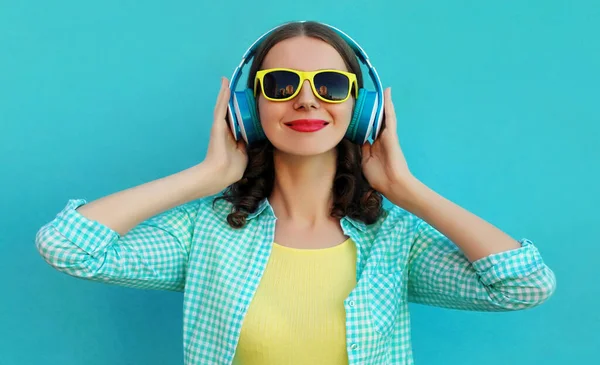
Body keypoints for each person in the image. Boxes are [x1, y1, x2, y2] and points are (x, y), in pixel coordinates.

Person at [35, 21, 557, 365]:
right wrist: (204, 176)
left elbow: (524, 286)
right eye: (282, 83)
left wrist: (407, 190)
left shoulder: (396, 240)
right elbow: (68, 246)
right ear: (248, 105)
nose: (307, 100)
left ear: (362, 105)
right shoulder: (203, 233)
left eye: (329, 85)